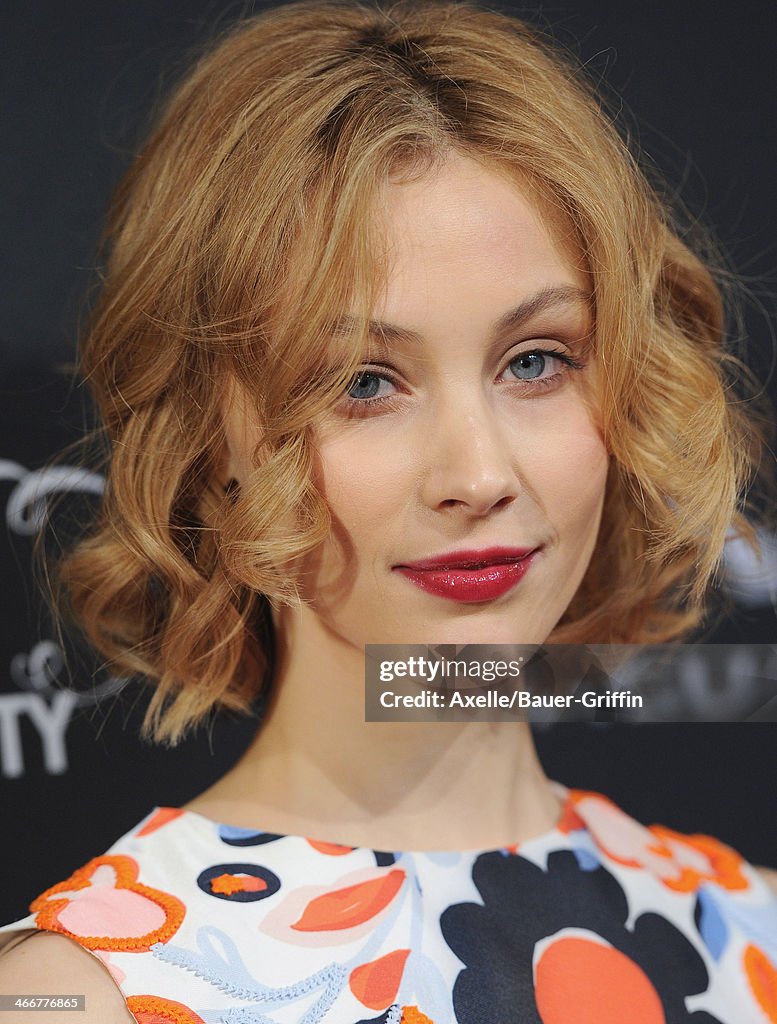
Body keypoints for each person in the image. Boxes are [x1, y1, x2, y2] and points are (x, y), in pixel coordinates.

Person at [1, 0, 775, 1020]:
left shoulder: (750, 932)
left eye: (536, 361)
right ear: (209, 436)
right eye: (364, 382)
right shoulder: (82, 993)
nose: (478, 471)